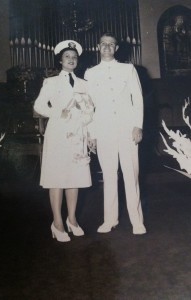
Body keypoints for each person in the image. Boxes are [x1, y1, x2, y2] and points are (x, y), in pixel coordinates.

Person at [85, 32, 146, 235]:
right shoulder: (90, 73)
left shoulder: (128, 69)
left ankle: (137, 221)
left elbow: (137, 99)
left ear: (116, 48)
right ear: (98, 47)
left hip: (127, 129)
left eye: (111, 44)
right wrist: (91, 134)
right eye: (103, 44)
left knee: (131, 175)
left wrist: (138, 125)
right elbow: (89, 107)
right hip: (103, 130)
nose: (107, 47)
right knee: (109, 176)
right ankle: (109, 219)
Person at [34, 40, 95, 242]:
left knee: (74, 177)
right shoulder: (51, 82)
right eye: (67, 57)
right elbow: (39, 106)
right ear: (60, 60)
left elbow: (89, 111)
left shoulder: (83, 84)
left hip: (78, 135)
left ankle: (72, 219)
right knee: (57, 178)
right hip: (58, 134)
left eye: (74, 57)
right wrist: (59, 112)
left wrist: (90, 134)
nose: (71, 60)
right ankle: (57, 223)